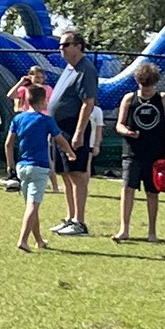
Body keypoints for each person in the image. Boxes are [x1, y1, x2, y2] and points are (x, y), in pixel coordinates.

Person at [5, 84, 76, 252]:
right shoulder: (45, 120)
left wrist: (11, 166)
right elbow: (59, 139)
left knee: (31, 205)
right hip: (39, 167)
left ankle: (39, 241)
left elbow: (8, 144)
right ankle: (23, 240)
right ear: (44, 101)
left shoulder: (18, 119)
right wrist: (70, 152)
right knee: (33, 206)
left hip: (22, 166)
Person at [112, 63, 165, 243]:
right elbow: (119, 124)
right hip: (132, 152)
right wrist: (128, 132)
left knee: (152, 191)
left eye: (150, 86)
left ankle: (152, 231)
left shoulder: (163, 98)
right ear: (137, 82)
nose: (146, 90)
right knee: (127, 188)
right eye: (143, 85)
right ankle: (124, 229)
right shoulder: (129, 98)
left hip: (156, 153)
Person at [47, 30, 98, 237]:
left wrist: (78, 133)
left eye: (66, 44)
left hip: (72, 127)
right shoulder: (70, 68)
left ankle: (80, 222)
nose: (62, 49)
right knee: (66, 173)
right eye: (60, 45)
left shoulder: (85, 69)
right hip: (59, 128)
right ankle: (70, 217)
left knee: (76, 173)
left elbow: (88, 103)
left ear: (78, 46)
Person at [6, 65, 58, 192]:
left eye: (41, 77)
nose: (39, 80)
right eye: (36, 77)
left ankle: (55, 185)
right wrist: (21, 82)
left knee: (46, 154)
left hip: (42, 122)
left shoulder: (47, 89)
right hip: (28, 123)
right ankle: (19, 177)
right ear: (30, 76)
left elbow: (51, 104)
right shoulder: (25, 89)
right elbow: (11, 95)